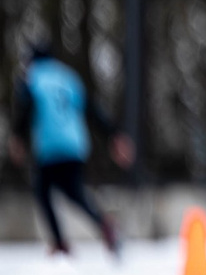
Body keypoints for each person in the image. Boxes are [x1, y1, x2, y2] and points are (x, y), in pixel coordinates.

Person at [10, 40, 129, 258]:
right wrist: (114, 136)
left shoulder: (32, 78)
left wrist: (18, 138)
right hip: (75, 144)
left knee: (42, 191)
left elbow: (25, 109)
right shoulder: (68, 77)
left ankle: (60, 243)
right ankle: (104, 224)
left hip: (49, 146)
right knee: (74, 193)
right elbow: (93, 110)